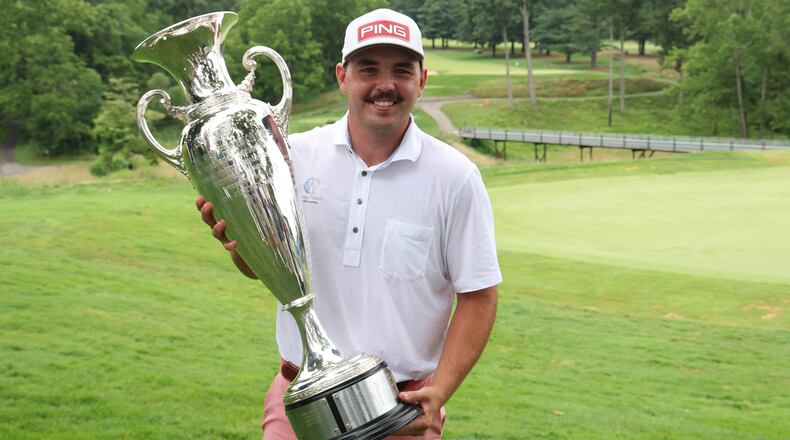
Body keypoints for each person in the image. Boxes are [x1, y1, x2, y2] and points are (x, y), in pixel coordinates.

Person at [196, 8, 501, 439]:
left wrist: (441, 391)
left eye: (402, 70)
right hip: (301, 399)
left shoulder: (455, 177)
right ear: (343, 77)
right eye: (368, 69)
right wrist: (242, 244)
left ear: (422, 80)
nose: (385, 85)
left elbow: (479, 295)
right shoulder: (293, 157)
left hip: (402, 408)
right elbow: (266, 270)